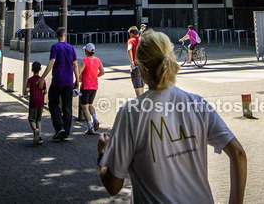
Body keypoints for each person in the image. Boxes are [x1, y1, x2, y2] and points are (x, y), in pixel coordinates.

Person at [97, 31, 246, 203]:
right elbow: (238, 153)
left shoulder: (130, 113)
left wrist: (104, 152)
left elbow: (113, 186)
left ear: (142, 68)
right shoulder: (198, 104)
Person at [38, 27, 80, 142]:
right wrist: (77, 80)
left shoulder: (55, 47)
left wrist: (42, 78)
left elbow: (52, 63)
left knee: (53, 103)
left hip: (57, 80)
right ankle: (66, 133)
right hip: (68, 81)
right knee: (67, 106)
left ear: (57, 36)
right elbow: (75, 65)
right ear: (65, 35)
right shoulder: (71, 48)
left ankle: (59, 126)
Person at [80, 43, 104, 135]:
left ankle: (90, 126)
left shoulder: (85, 60)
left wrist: (77, 80)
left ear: (86, 51)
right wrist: (96, 76)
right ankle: (95, 119)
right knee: (90, 104)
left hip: (86, 86)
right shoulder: (98, 60)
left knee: (84, 106)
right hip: (94, 86)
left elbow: (79, 71)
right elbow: (102, 72)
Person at [26, 61, 46, 145]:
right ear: (40, 69)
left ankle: (35, 130)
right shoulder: (42, 79)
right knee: (39, 120)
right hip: (41, 101)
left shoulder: (30, 80)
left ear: (32, 69)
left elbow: (26, 90)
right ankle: (40, 136)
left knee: (31, 119)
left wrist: (29, 89)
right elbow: (45, 91)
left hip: (33, 101)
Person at [127, 27, 144, 98]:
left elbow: (129, 49)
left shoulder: (131, 40)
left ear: (131, 34)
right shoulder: (142, 40)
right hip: (144, 67)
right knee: (142, 87)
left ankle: (140, 105)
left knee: (138, 89)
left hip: (136, 67)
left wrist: (132, 62)